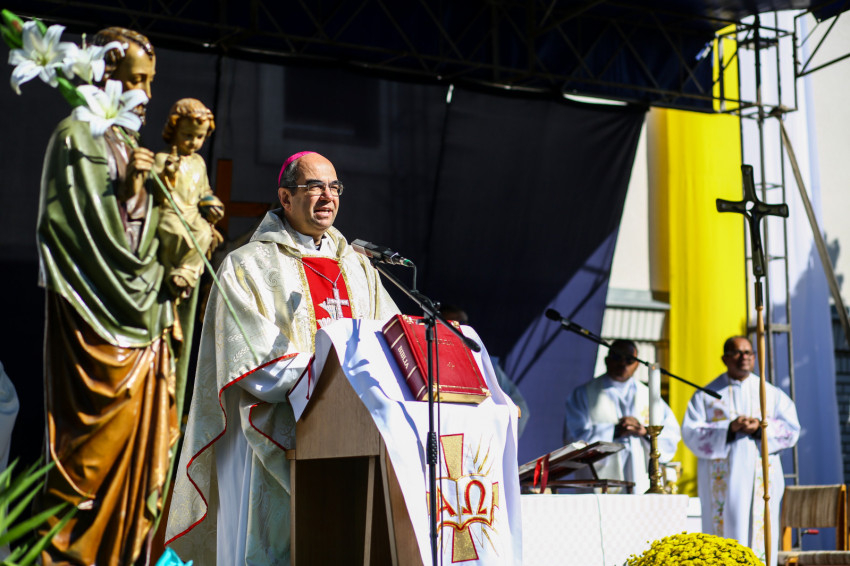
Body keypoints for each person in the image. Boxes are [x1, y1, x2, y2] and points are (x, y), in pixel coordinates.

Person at [165, 151, 399, 565]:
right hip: (271, 432)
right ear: (286, 198)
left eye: (334, 187)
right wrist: (332, 379)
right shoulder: (246, 265)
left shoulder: (361, 268)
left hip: (354, 435)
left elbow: (391, 341)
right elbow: (249, 356)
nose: (327, 196)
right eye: (314, 187)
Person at [33, 27, 183, 566]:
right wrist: (145, 218)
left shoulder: (125, 142)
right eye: (136, 79)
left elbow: (135, 222)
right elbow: (84, 234)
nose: (146, 94)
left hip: (144, 322)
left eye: (150, 82)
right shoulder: (78, 135)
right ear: (104, 74)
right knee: (87, 460)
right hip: (98, 324)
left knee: (138, 462)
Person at [682, 336, 800, 566]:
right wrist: (729, 428)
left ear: (754, 357)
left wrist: (760, 428)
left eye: (748, 353)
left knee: (760, 528)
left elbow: (792, 430)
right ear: (725, 358)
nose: (744, 357)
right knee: (726, 527)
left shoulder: (770, 393)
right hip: (724, 478)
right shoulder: (707, 394)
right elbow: (691, 432)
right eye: (737, 352)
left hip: (761, 475)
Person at [563, 339, 680, 493]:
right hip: (600, 480)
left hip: (640, 475)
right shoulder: (583, 394)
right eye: (618, 357)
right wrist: (615, 430)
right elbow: (573, 438)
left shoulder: (649, 395)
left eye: (629, 359)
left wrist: (645, 432)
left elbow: (671, 435)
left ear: (637, 364)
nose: (623, 364)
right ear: (607, 360)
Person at [154, 98, 224, 299]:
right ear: (174, 131)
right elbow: (157, 192)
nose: (194, 141)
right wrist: (167, 175)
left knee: (204, 232)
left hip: (192, 213)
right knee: (176, 232)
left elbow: (204, 191)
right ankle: (177, 274)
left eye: (200, 136)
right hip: (170, 212)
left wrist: (213, 205)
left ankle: (186, 273)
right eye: (187, 135)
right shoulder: (162, 159)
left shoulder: (199, 162)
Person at [440, 304, 531, 437]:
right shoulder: (425, 362)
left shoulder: (485, 364)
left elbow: (520, 409)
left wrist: (497, 436)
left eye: (463, 323)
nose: (460, 328)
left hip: (478, 440)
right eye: (453, 323)